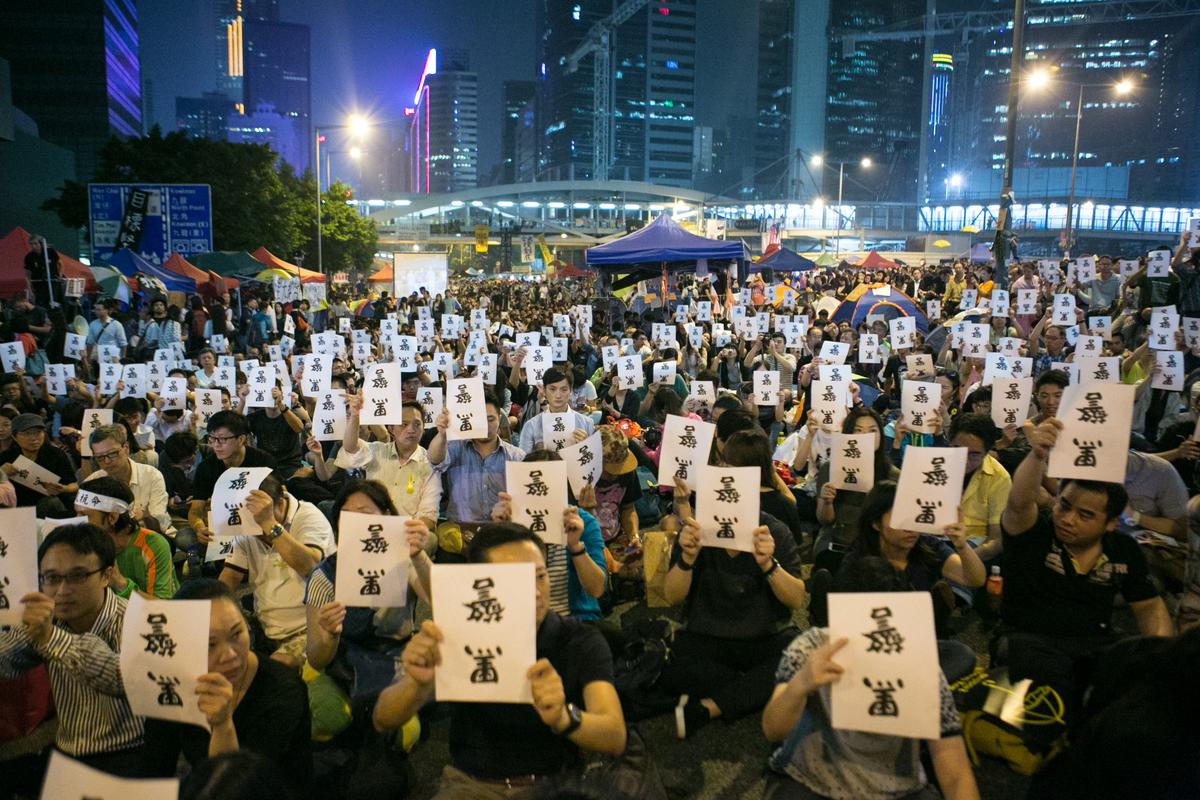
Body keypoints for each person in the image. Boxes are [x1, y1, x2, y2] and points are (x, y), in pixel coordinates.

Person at [372, 522, 627, 796]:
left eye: (540, 576)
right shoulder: (460, 635)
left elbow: (614, 735)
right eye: (516, 580)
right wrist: (418, 684)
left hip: (556, 784)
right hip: (471, 785)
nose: (535, 591)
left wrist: (565, 717)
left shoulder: (578, 640)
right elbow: (383, 718)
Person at [761, 556, 981, 800]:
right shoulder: (813, 647)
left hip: (898, 789)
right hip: (815, 782)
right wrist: (800, 685)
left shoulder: (919, 662)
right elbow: (773, 730)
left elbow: (955, 772)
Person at [996, 418, 1173, 707]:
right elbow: (1019, 503)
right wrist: (1038, 455)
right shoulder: (1033, 533)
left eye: (1085, 515)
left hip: (1094, 644)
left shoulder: (1124, 550)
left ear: (1112, 523)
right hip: (1027, 639)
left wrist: (1161, 654)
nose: (1068, 519)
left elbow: (1149, 606)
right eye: (1064, 506)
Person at [0, 524, 144, 778]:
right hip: (67, 748)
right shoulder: (49, 618)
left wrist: (50, 638)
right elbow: (8, 660)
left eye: (78, 576)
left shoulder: (137, 620)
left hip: (127, 753)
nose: (62, 591)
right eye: (52, 578)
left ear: (106, 575)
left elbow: (122, 677)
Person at [142, 579, 312, 789]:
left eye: (236, 633)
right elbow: (154, 768)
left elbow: (238, 788)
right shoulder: (174, 682)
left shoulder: (282, 690)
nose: (230, 655)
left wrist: (222, 725)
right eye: (210, 644)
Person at [659, 498, 807, 738]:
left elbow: (796, 599)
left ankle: (708, 707)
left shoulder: (774, 531)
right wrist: (687, 558)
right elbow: (672, 595)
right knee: (668, 659)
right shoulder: (697, 532)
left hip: (762, 637)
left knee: (801, 654)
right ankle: (753, 687)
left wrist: (768, 564)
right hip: (706, 636)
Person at [217, 473, 336, 668]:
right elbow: (229, 578)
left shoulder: (307, 516)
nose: (257, 532)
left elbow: (311, 567)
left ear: (280, 503)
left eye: (257, 520)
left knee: (274, 672)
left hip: (309, 630)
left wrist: (269, 523)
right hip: (266, 627)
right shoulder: (247, 524)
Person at [491, 450, 608, 620]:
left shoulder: (583, 522)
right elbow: (492, 585)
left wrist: (575, 546)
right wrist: (498, 531)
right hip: (521, 621)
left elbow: (597, 589)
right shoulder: (510, 521)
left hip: (573, 621)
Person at [429, 391, 525, 547]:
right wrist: (442, 435)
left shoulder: (517, 456)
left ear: (500, 420)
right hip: (459, 534)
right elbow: (434, 460)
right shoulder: (455, 447)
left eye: (491, 419)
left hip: (501, 533)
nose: (485, 426)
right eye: (480, 419)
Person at [814, 407, 900, 571]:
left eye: (872, 430)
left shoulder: (892, 475)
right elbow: (824, 520)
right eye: (858, 430)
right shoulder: (830, 469)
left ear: (881, 436)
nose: (865, 436)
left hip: (876, 548)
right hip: (837, 543)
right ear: (848, 434)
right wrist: (827, 502)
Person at [336, 397, 441, 531]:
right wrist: (355, 415)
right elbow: (350, 448)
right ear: (391, 428)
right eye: (404, 424)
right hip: (372, 528)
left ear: (424, 428)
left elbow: (428, 516)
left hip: (409, 532)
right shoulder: (376, 451)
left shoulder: (430, 464)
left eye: (417, 424)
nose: (411, 430)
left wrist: (401, 535)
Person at [75, 476, 178, 600]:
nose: (76, 521)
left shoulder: (153, 545)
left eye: (83, 515)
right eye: (76, 513)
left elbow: (161, 607)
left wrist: (120, 584)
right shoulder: (81, 543)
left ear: (112, 518)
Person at [188, 410, 278, 548]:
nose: (216, 445)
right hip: (223, 528)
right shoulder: (206, 467)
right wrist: (199, 528)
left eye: (222, 439)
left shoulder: (263, 462)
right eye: (211, 438)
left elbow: (278, 502)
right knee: (184, 538)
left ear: (241, 439)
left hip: (258, 524)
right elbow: (195, 511)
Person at [82, 423, 173, 535]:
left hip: (146, 536)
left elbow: (160, 527)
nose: (107, 461)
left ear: (126, 448)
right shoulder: (93, 482)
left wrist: (146, 516)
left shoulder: (151, 475)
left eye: (113, 453)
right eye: (100, 457)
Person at [0, 412, 76, 511]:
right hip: (18, 508)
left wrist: (64, 488)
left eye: (38, 432)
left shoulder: (55, 454)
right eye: (27, 433)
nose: (34, 438)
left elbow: (74, 484)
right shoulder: (7, 457)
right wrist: (2, 473)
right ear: (14, 437)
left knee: (51, 502)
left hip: (50, 506)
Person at [515, 366, 596, 452]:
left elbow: (595, 461)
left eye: (564, 389)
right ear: (544, 391)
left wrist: (587, 445)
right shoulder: (531, 426)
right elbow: (523, 461)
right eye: (552, 389)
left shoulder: (587, 423)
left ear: (571, 391)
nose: (558, 395)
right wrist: (537, 455)